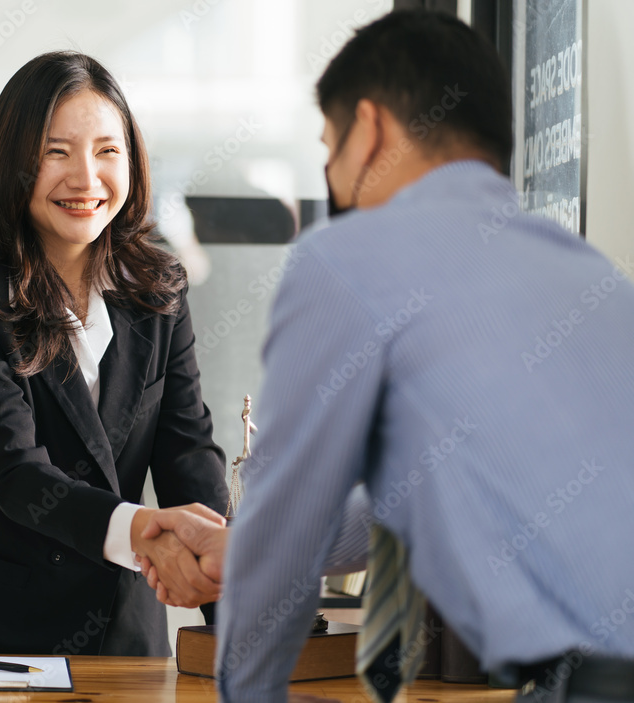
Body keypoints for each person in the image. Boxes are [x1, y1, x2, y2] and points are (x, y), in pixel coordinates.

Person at [143, 10, 634, 703]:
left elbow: (291, 523)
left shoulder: (347, 260)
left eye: (328, 148)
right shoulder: (593, 279)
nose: (333, 181)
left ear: (369, 129)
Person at [0, 51, 228, 657]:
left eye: (106, 150)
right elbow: (16, 472)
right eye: (55, 152)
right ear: (15, 164)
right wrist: (145, 532)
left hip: (118, 626)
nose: (85, 178)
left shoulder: (161, 289)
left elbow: (187, 452)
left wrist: (232, 600)